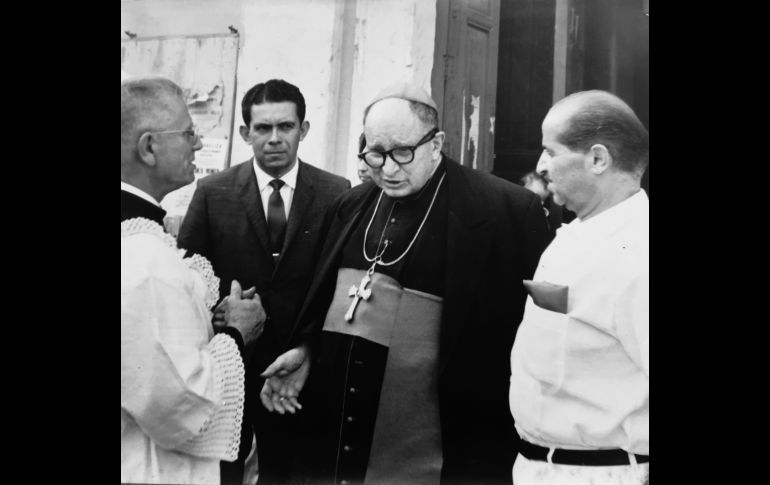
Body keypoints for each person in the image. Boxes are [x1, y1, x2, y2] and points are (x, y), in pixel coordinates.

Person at [259, 82, 551, 484]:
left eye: (402, 153)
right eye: (375, 154)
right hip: (338, 436)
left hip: (436, 443)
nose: (389, 169)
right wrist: (307, 349)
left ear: (437, 143)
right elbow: (325, 301)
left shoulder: (505, 210)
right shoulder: (351, 205)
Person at [177, 78, 351, 485]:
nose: (275, 139)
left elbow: (338, 282)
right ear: (245, 133)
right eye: (263, 128)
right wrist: (222, 309)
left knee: (291, 472)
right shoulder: (213, 191)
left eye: (286, 127)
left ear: (303, 130)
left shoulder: (335, 192)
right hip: (230, 363)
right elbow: (189, 273)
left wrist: (310, 347)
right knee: (225, 470)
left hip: (299, 367)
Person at [121, 75, 267, 484]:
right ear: (149, 147)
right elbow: (180, 405)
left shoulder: (141, 242)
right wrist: (237, 333)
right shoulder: (144, 260)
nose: (198, 144)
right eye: (188, 133)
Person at [509, 90, 649, 485]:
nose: (540, 166)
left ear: (598, 159)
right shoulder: (575, 232)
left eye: (550, 152)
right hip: (541, 467)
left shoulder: (640, 254)